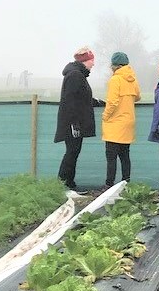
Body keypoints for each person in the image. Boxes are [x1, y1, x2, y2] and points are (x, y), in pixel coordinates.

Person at [55, 47, 103, 192]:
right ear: (85, 61)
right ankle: (63, 184)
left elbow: (82, 98)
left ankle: (68, 183)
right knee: (71, 152)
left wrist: (99, 103)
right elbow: (70, 101)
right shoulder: (75, 75)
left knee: (73, 151)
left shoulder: (77, 74)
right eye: (91, 60)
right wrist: (74, 123)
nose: (93, 64)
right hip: (73, 123)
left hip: (73, 122)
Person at [100, 52, 140, 188]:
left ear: (114, 66)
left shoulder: (115, 80)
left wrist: (105, 116)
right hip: (129, 121)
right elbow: (138, 96)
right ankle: (125, 184)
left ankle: (109, 185)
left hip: (114, 124)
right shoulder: (133, 79)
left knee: (111, 158)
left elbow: (112, 102)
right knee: (125, 156)